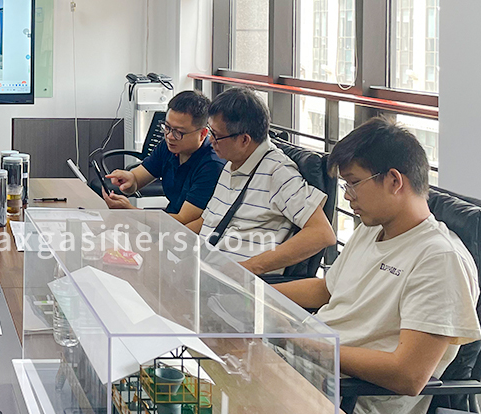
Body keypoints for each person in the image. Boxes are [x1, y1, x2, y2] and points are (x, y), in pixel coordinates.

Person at [275, 118, 481, 414]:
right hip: (306, 369)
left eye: (353, 183)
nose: (347, 196)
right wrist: (252, 291)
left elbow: (408, 374)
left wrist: (309, 345)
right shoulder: (372, 228)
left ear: (394, 181)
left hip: (350, 404)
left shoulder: (439, 259)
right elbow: (327, 290)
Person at [187, 87, 335, 275]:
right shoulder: (232, 162)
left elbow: (322, 234)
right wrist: (167, 237)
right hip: (205, 271)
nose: (210, 140)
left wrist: (248, 269)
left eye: (216, 135)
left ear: (244, 140)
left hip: (238, 287)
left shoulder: (278, 172)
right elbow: (208, 221)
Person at [103, 90, 224, 225]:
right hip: (167, 223)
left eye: (179, 132)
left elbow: (183, 221)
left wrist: (130, 210)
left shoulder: (212, 165)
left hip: (187, 234)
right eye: (167, 127)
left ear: (202, 134)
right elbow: (136, 179)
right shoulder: (169, 146)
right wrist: (128, 180)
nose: (170, 136)